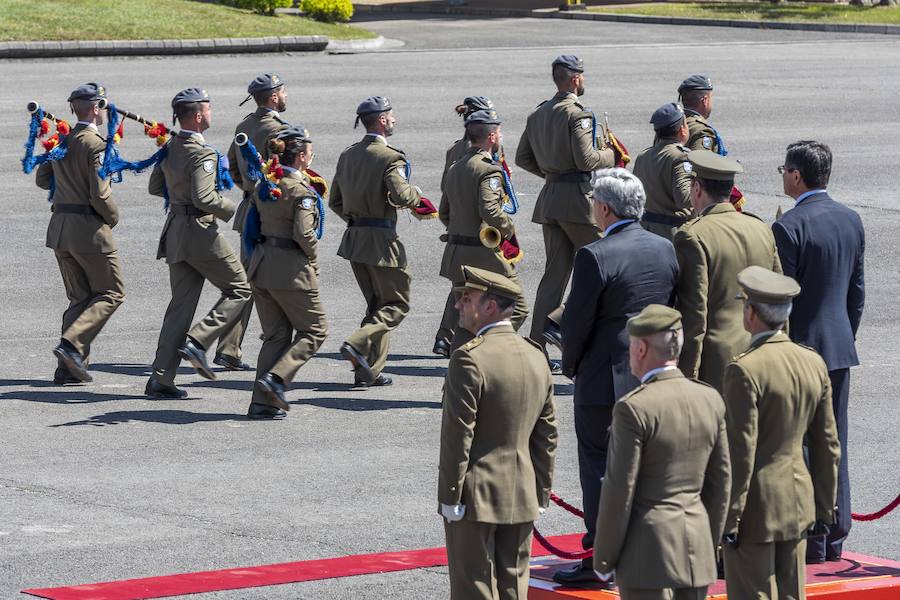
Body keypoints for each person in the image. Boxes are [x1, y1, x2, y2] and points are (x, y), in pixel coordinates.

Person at [552, 169, 678, 585]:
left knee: (599, 467)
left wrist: (570, 365)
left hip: (603, 378)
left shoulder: (594, 254)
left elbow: (577, 323)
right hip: (653, 374)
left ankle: (600, 560)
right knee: (647, 467)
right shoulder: (665, 248)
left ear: (604, 208)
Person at [593, 304, 730, 600]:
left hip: (648, 554)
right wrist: (709, 541)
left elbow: (620, 489)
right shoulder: (709, 399)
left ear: (641, 348)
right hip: (697, 548)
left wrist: (604, 558)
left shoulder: (634, 407)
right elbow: (721, 483)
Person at [439, 265, 557, 600]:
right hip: (523, 490)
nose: (459, 304)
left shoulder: (469, 359)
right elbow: (546, 435)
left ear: (489, 306)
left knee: (473, 587)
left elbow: (458, 437)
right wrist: (541, 491)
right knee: (514, 588)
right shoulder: (536, 358)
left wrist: (450, 495)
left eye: (467, 298)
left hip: (475, 495)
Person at [771, 140, 864, 563]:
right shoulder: (850, 219)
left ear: (796, 175)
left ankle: (810, 535)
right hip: (839, 349)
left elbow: (781, 303)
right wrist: (842, 336)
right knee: (836, 442)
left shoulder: (789, 226)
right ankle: (835, 533)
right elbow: (855, 295)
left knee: (802, 446)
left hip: (800, 351)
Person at [722, 266, 840, 598]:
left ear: (752, 314)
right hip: (798, 501)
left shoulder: (745, 369)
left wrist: (729, 518)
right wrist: (823, 506)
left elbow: (740, 452)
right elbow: (827, 443)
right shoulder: (812, 362)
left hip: (755, 510)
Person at [145, 88, 251, 399]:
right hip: (198, 231)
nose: (211, 113)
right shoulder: (201, 153)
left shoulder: (170, 145)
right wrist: (240, 212)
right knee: (241, 288)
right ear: (198, 115)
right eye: (208, 108)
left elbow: (155, 186)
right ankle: (198, 341)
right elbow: (203, 197)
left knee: (180, 308)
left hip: (176, 230)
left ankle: (160, 379)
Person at [515, 54, 614, 371]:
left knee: (554, 277)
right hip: (577, 201)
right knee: (603, 268)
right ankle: (561, 326)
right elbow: (586, 159)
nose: (584, 80)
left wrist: (551, 172)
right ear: (574, 78)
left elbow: (522, 158)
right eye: (582, 75)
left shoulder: (539, 113)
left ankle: (536, 346)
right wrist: (611, 154)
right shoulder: (577, 114)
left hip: (551, 199)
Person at [329, 96, 424, 387]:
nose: (394, 119)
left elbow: (335, 201)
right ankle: (357, 344)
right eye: (391, 115)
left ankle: (367, 371)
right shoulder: (391, 157)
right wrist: (417, 194)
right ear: (382, 119)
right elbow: (401, 196)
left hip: (355, 238)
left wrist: (358, 221)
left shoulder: (348, 155)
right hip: (381, 240)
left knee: (376, 306)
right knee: (396, 303)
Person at [36, 83, 125, 384]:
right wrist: (113, 218)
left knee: (80, 297)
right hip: (87, 230)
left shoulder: (64, 139)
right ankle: (71, 346)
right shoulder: (96, 144)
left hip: (60, 228)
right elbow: (99, 195)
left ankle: (68, 369)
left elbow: (42, 177)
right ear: (96, 107)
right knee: (112, 292)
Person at [673, 150, 781, 392]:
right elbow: (778, 299)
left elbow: (695, 316)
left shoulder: (692, 235)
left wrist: (686, 376)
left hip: (717, 364)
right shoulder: (761, 228)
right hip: (763, 356)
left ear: (697, 189)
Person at [245, 126, 327, 420]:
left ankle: (261, 403)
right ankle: (277, 378)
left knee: (276, 336)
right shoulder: (301, 191)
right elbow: (304, 233)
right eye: (310, 151)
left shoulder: (265, 184)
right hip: (290, 270)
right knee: (315, 330)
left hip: (262, 264)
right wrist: (314, 257)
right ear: (303, 157)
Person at [438, 109, 528, 352]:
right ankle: (485, 352)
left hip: (457, 254)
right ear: (492, 136)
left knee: (466, 320)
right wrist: (508, 229)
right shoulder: (488, 170)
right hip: (484, 256)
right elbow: (490, 210)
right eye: (499, 132)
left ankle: (463, 364)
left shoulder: (456, 167)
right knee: (517, 305)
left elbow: (444, 212)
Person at [218, 73, 290, 372]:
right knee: (278, 280)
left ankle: (228, 347)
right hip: (270, 212)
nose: (286, 96)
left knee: (246, 282)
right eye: (283, 91)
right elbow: (285, 175)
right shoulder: (281, 131)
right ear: (273, 96)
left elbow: (233, 167)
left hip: (249, 208)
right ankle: (277, 343)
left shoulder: (244, 125)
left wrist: (248, 188)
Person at [433, 95, 496, 357]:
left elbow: (445, 192)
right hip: (479, 229)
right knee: (477, 289)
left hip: (458, 224)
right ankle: (459, 338)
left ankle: (445, 337)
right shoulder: (482, 151)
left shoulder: (453, 151)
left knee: (461, 287)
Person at [633, 102, 694, 241]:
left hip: (644, 230)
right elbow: (684, 199)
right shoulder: (681, 157)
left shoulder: (643, 156)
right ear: (682, 129)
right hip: (671, 234)